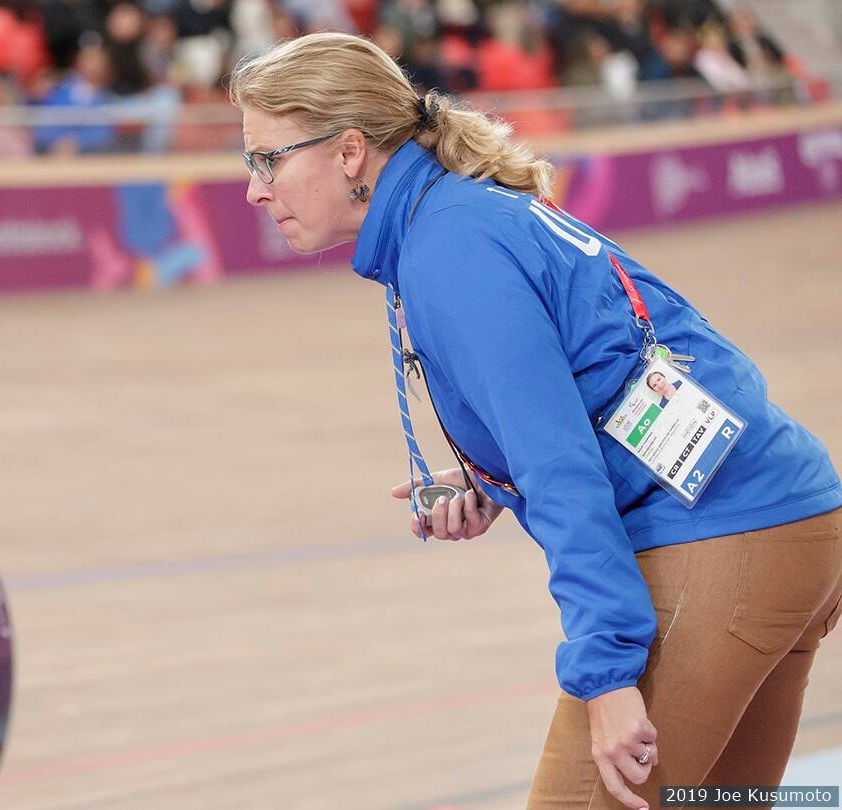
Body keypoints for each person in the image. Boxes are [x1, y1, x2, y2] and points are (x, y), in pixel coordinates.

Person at [230, 32, 842, 809]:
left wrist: (611, 676)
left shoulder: (448, 249)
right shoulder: (464, 212)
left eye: (267, 158)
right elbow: (595, 384)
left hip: (722, 540)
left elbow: (563, 472)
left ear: (349, 151)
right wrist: (495, 477)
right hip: (789, 519)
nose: (254, 188)